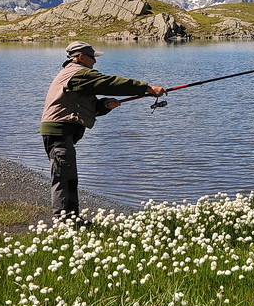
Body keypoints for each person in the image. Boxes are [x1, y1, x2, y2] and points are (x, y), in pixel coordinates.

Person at [40, 41, 166, 221]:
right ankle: (64, 221)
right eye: (92, 57)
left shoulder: (77, 76)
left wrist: (105, 105)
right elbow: (109, 83)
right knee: (64, 176)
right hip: (58, 131)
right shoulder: (78, 73)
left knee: (68, 175)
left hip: (61, 131)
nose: (95, 61)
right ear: (81, 57)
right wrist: (146, 88)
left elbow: (88, 105)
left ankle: (72, 219)